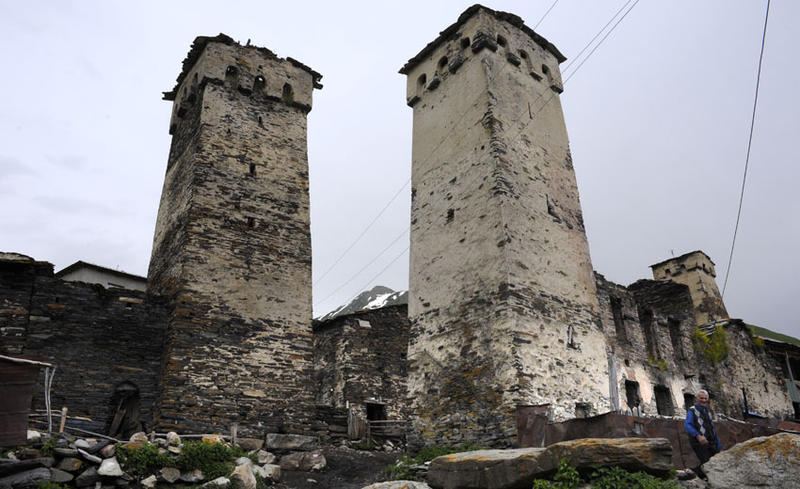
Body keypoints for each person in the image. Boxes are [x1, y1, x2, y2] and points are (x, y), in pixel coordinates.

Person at [684, 389, 722, 468]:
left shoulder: (708, 411)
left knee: (718, 463)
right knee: (707, 463)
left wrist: (719, 446)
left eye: (705, 398)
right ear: (696, 399)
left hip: (712, 443)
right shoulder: (692, 410)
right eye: (701, 398)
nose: (703, 400)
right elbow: (687, 425)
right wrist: (698, 436)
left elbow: (713, 429)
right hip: (700, 443)